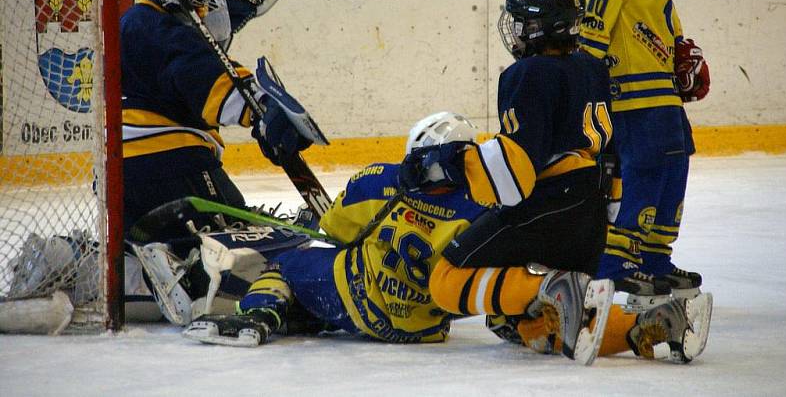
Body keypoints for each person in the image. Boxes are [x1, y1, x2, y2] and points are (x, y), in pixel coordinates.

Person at [417, 0, 710, 364]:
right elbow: (613, 153)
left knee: (445, 280)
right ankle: (655, 322)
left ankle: (553, 287)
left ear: (538, 28)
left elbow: (515, 171)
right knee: (538, 326)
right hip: (591, 212)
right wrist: (604, 224)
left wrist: (449, 163)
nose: (516, 32)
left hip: (549, 207)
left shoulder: (527, 74)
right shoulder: (592, 68)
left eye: (522, 23)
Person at [184, 111, 615, 363]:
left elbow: (334, 229)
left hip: (360, 302)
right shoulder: (488, 203)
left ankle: (259, 317)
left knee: (289, 265)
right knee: (492, 291)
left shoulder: (381, 179)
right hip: (424, 328)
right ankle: (552, 322)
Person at [120, 0, 314, 322]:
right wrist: (262, 112)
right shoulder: (160, 29)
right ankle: (188, 273)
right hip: (172, 163)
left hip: (121, 175)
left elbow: (197, 63)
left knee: (147, 236)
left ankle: (133, 271)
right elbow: (208, 80)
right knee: (248, 241)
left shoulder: (138, 23)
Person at [577, 0, 710, 306]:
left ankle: (653, 256)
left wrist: (677, 48)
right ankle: (617, 263)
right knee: (650, 163)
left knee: (675, 158)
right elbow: (599, 4)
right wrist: (589, 67)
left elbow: (651, 5)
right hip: (629, 78)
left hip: (655, 77)